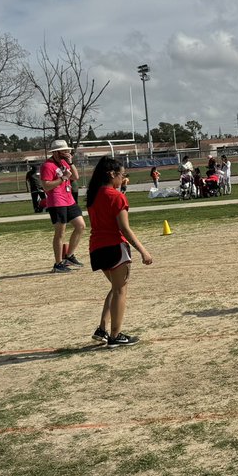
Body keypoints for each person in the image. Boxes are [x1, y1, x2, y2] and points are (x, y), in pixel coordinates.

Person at [85, 155, 152, 347]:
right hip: (115, 246)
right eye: (121, 175)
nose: (123, 178)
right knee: (121, 291)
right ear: (111, 174)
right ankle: (116, 335)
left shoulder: (94, 194)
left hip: (96, 247)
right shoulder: (117, 197)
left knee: (115, 288)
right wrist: (143, 250)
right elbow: (124, 228)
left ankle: (103, 328)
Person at [41, 139, 85, 273]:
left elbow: (76, 176)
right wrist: (62, 178)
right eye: (64, 151)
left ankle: (69, 256)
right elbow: (45, 185)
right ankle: (58, 263)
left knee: (81, 225)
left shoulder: (65, 162)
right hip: (56, 201)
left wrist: (70, 162)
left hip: (68, 199)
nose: (67, 152)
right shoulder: (47, 166)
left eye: (68, 150)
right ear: (56, 152)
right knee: (60, 232)